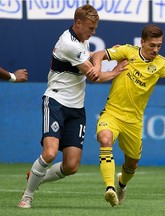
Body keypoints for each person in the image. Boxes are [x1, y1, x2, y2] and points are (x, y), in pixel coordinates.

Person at [17, 4, 128, 209]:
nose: (93, 32)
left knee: (71, 166)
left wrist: (101, 59)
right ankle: (27, 195)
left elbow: (94, 62)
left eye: (95, 28)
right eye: (90, 28)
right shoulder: (69, 44)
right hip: (56, 101)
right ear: (78, 23)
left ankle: (35, 176)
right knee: (49, 153)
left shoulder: (81, 40)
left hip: (77, 108)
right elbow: (94, 76)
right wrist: (116, 70)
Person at [93, 24, 165, 207]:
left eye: (159, 46)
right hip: (112, 113)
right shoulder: (127, 51)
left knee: (132, 164)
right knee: (105, 138)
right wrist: (98, 67)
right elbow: (99, 53)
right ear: (142, 42)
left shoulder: (161, 63)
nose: (155, 49)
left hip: (134, 121)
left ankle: (121, 184)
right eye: (152, 45)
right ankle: (110, 189)